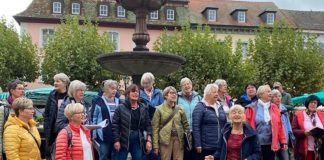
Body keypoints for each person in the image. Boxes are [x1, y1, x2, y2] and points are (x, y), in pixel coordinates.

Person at [245, 85, 287, 160]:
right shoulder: (251, 108)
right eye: (268, 91)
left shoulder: (274, 107)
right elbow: (246, 126)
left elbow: (280, 126)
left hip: (270, 144)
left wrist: (283, 141)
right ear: (260, 94)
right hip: (255, 144)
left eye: (270, 91)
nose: (270, 93)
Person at [112, 84, 152, 160]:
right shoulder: (120, 108)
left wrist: (149, 141)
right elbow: (115, 125)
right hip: (123, 139)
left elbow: (148, 125)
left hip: (138, 139)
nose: (136, 93)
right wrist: (116, 140)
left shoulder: (143, 108)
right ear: (127, 94)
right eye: (133, 91)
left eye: (137, 92)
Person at [152, 86, 190, 160]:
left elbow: (186, 126)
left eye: (175, 93)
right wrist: (155, 146)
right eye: (171, 93)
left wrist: (188, 142)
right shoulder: (159, 109)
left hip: (179, 140)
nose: (174, 95)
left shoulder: (180, 109)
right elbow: (155, 128)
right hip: (165, 140)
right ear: (165, 95)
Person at [192, 84, 227, 160]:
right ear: (207, 94)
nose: (217, 94)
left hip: (219, 145)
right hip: (206, 146)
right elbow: (195, 126)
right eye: (214, 92)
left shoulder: (220, 106)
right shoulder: (200, 107)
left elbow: (225, 124)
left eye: (217, 92)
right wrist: (198, 144)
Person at [92, 80, 121, 160]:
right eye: (112, 88)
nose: (114, 90)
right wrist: (94, 135)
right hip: (103, 134)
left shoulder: (118, 101)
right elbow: (93, 118)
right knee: (104, 156)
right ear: (106, 89)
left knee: (115, 156)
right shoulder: (98, 101)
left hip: (116, 134)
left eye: (115, 88)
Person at [44, 73, 70, 158]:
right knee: (52, 153)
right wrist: (47, 128)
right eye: (54, 81)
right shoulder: (52, 95)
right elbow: (47, 114)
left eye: (57, 81)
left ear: (65, 83)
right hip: (52, 131)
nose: (55, 83)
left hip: (66, 130)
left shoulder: (70, 96)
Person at [292, 95, 324, 160]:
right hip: (305, 149)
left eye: (315, 103)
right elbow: (293, 130)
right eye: (311, 102)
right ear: (307, 103)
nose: (313, 104)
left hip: (320, 149)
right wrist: (304, 133)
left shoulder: (322, 114)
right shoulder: (298, 115)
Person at [176, 77, 201, 160]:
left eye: (188, 84)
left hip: (197, 131)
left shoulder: (198, 97)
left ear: (191, 85)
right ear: (181, 87)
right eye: (184, 84)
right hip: (184, 132)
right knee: (186, 155)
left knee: (197, 155)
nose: (187, 86)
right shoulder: (177, 98)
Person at [0, 79, 25, 160]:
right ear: (12, 91)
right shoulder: (4, 108)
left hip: (23, 147)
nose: (22, 91)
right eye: (19, 89)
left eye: (23, 89)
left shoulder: (25, 106)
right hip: (8, 148)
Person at [271, 89, 295, 160]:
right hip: (273, 138)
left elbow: (288, 124)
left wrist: (290, 135)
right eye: (275, 96)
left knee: (285, 157)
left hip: (285, 138)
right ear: (271, 98)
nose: (278, 98)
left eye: (279, 96)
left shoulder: (283, 108)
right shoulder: (269, 109)